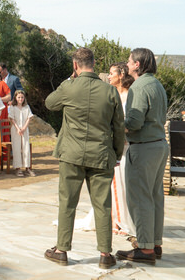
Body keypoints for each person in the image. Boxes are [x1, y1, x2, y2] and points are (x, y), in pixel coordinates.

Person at [43, 47, 125, 268]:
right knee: (102, 205)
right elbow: (118, 127)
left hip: (71, 154)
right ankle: (105, 255)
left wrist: (69, 80)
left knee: (67, 202)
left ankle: (61, 250)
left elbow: (50, 103)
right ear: (94, 63)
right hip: (101, 154)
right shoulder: (110, 91)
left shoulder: (69, 87)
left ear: (75, 65)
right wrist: (117, 153)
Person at [117, 48, 169, 265]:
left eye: (129, 61)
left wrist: (116, 123)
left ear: (137, 64)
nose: (127, 64)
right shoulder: (157, 85)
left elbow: (135, 122)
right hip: (159, 145)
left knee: (140, 197)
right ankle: (155, 244)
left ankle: (145, 249)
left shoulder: (139, 86)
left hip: (144, 147)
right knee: (155, 196)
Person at [108, 62, 136, 237]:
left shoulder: (129, 95)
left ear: (121, 75)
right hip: (112, 144)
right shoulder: (110, 94)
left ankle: (123, 220)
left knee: (123, 183)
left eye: (112, 73)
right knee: (112, 183)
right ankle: (114, 220)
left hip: (126, 145)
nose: (109, 76)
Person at [7, 90, 34, 176]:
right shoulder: (13, 107)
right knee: (16, 148)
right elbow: (12, 119)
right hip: (16, 130)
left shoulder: (26, 107)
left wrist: (24, 128)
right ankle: (18, 168)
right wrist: (18, 128)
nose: (20, 99)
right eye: (19, 97)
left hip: (24, 130)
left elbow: (29, 118)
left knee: (26, 147)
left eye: (22, 97)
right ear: (15, 98)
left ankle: (27, 168)